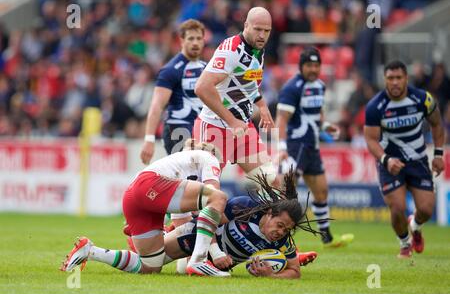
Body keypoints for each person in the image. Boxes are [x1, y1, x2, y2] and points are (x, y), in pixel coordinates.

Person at [61, 169, 318, 279]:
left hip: (212, 261)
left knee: (165, 269)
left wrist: (271, 274)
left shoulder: (282, 238)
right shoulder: (243, 208)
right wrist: (214, 253)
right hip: (196, 238)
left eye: (286, 230)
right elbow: (207, 218)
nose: (280, 232)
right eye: (280, 225)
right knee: (152, 265)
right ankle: (96, 248)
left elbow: (295, 273)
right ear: (270, 212)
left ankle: (92, 250)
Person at [61, 144, 231, 276]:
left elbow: (183, 224)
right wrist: (215, 253)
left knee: (150, 267)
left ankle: (90, 251)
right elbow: (215, 196)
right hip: (149, 185)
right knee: (219, 197)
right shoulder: (210, 157)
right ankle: (199, 260)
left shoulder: (181, 177)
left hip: (133, 195)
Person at [364, 60, 445, 258]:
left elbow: (437, 124)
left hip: (417, 161)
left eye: (399, 78)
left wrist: (438, 154)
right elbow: (371, 140)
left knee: (426, 209)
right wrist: (385, 160)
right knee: (397, 207)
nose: (395, 82)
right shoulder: (375, 106)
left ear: (406, 78)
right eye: (390, 78)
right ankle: (404, 244)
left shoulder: (422, 99)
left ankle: (415, 226)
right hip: (390, 163)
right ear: (385, 80)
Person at [275, 47, 354, 248]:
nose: (313, 69)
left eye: (316, 65)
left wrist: (326, 127)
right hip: (295, 146)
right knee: (288, 195)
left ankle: (326, 237)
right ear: (301, 66)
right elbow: (282, 120)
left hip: (312, 147)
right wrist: (282, 147)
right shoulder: (292, 88)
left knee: (321, 192)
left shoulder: (319, 86)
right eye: (309, 65)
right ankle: (280, 238)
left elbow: (316, 115)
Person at [193, 7, 278, 188]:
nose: (262, 35)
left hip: (243, 130)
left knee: (272, 183)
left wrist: (262, 106)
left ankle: (262, 217)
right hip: (214, 129)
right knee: (205, 197)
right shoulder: (231, 50)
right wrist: (232, 121)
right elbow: (201, 87)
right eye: (258, 29)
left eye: (267, 31)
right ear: (246, 25)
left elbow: (247, 83)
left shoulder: (257, 49)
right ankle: (176, 215)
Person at [140, 19, 207, 165]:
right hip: (177, 129)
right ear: (182, 40)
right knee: (192, 171)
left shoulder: (207, 68)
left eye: (198, 38)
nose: (195, 43)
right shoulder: (171, 70)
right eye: (191, 38)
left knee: (200, 174)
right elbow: (156, 105)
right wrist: (149, 139)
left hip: (200, 130)